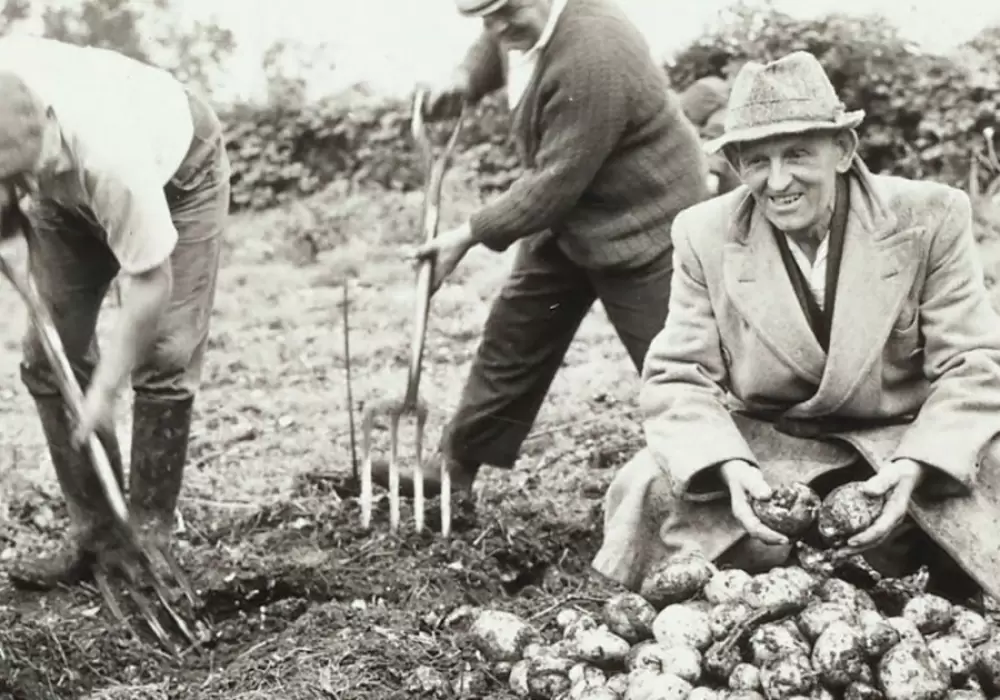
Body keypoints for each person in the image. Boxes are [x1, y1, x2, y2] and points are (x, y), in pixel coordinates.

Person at [592, 50, 1000, 602]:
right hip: (773, 446)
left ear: (843, 150)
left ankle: (939, 580)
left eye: (798, 154)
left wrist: (917, 463)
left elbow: (974, 365)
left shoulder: (931, 215)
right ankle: (761, 579)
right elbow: (678, 376)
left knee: (987, 466)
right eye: (757, 161)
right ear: (736, 164)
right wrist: (727, 464)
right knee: (648, 485)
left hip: (899, 438)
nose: (778, 180)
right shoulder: (703, 233)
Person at [369, 0, 711, 499]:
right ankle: (454, 473)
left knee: (673, 365)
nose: (496, 26)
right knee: (514, 336)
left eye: (506, 9)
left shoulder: (595, 52)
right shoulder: (520, 25)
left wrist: (466, 235)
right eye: (484, 16)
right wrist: (464, 77)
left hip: (645, 222)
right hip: (570, 220)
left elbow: (555, 181)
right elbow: (496, 44)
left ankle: (724, 480)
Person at [0, 36, 230, 591]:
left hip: (179, 175)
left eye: (27, 177)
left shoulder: (111, 156)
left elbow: (150, 283)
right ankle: (99, 535)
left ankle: (147, 537)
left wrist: (103, 389)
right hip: (66, 187)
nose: (22, 192)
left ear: (48, 120)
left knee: (166, 353)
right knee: (48, 358)